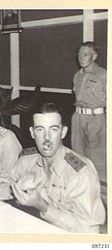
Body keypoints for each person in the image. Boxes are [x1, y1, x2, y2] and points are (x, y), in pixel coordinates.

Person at [10, 103, 105, 233]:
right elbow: (3, 190)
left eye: (53, 129)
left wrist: (42, 206)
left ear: (63, 132)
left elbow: (88, 230)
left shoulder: (80, 172)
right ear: (32, 133)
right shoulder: (26, 161)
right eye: (40, 129)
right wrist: (16, 191)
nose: (46, 138)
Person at [71, 41, 107, 202]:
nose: (81, 58)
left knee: (98, 160)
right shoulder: (77, 76)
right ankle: (82, 196)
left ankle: (103, 200)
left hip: (96, 119)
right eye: (79, 55)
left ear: (94, 56)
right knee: (78, 157)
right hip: (78, 118)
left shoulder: (103, 75)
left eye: (85, 54)